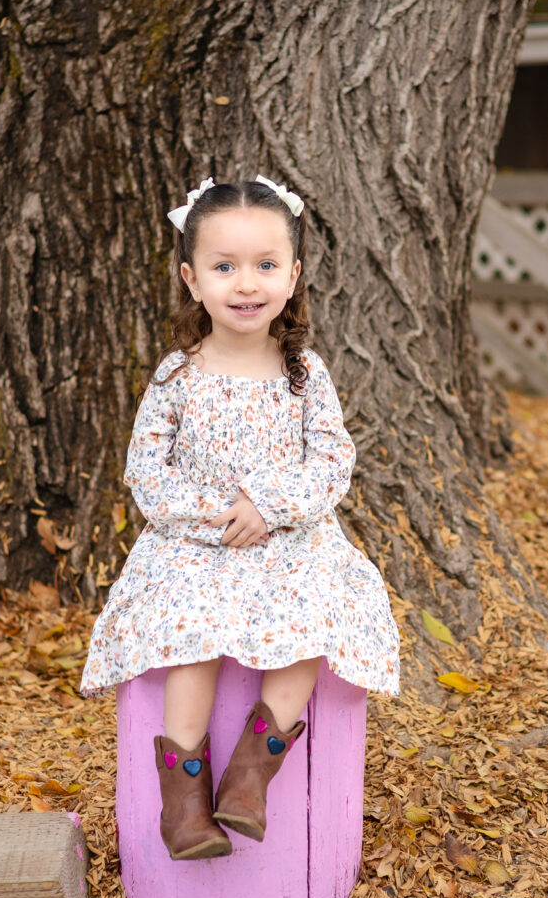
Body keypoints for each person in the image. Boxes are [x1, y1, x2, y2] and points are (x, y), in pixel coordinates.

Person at [80, 174, 400, 861]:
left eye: (264, 265)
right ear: (192, 280)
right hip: (196, 545)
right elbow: (146, 472)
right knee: (188, 633)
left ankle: (251, 774)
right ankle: (184, 801)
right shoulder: (177, 375)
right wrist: (220, 518)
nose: (245, 283)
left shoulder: (303, 373)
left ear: (293, 275)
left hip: (289, 543)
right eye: (225, 267)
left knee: (312, 621)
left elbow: (332, 460)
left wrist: (270, 509)